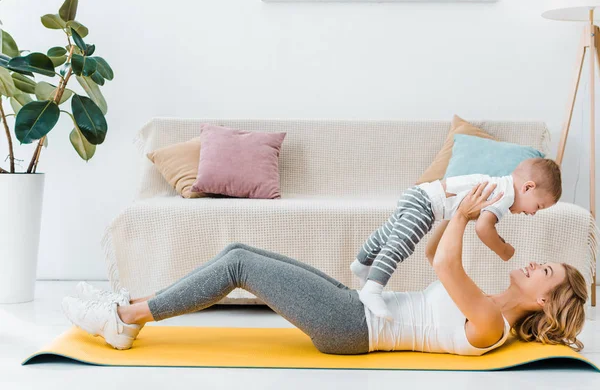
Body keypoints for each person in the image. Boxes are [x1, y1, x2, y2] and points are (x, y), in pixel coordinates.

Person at [62, 182, 587, 356]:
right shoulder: (490, 304)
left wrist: (468, 215)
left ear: (544, 300)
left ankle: (124, 317)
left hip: (353, 327)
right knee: (239, 248)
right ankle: (128, 311)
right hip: (355, 307)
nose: (537, 263)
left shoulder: (492, 325)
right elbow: (435, 258)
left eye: (548, 272)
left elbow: (450, 260)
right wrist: (448, 210)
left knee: (241, 264)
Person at [350, 158, 562, 319]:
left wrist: (460, 215)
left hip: (419, 195)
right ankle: (373, 288)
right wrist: (503, 249)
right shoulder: (505, 196)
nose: (534, 213)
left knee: (387, 234)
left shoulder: (498, 185)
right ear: (528, 187)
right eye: (539, 206)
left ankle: (362, 262)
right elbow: (483, 227)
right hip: (427, 206)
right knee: (400, 245)